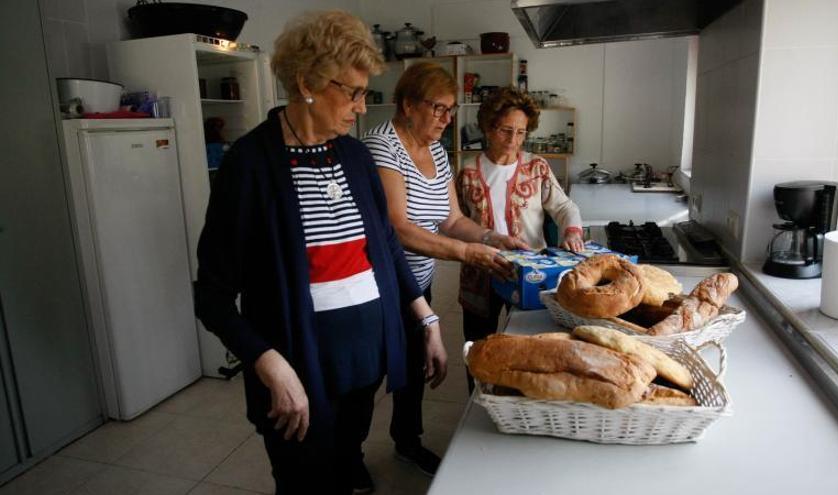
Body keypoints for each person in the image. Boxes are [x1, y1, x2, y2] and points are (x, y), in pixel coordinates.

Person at [193, 11, 447, 495]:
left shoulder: (354, 157)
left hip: (363, 362)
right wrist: (268, 363)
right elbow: (212, 295)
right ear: (307, 81)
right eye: (351, 92)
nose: (359, 106)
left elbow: (386, 248)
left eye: (364, 93)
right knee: (303, 481)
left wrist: (425, 319)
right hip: (296, 369)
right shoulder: (249, 164)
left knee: (344, 459)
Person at [362, 63, 527, 476]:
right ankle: (349, 458)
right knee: (368, 378)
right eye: (438, 108)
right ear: (407, 104)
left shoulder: (435, 149)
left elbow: (451, 220)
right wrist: (468, 255)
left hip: (417, 284)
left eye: (450, 110)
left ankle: (406, 441)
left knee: (416, 368)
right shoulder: (382, 146)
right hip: (379, 287)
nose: (446, 119)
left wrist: (490, 238)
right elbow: (399, 229)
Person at [457, 86, 583, 391]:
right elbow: (457, 222)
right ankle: (477, 400)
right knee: (478, 347)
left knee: (529, 344)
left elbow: (564, 206)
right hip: (481, 272)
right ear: (488, 127)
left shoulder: (536, 167)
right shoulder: (467, 172)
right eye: (505, 131)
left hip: (530, 273)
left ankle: (521, 400)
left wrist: (572, 230)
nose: (513, 141)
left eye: (521, 132)